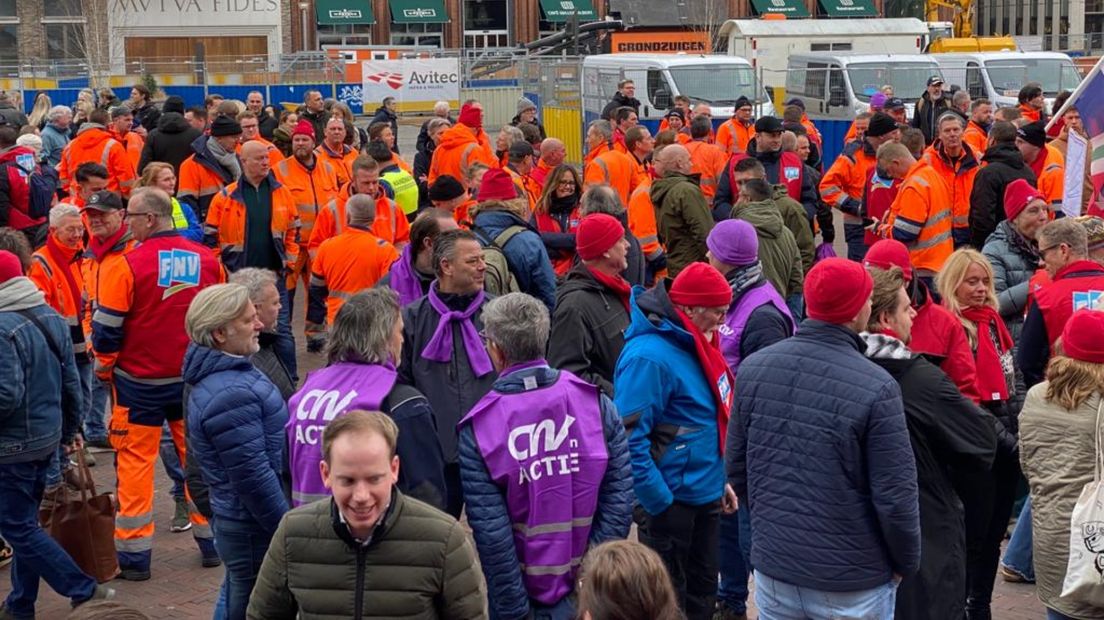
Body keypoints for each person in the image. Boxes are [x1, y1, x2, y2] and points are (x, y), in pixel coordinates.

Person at [728, 257, 919, 618]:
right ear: (856, 309)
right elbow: (895, 496)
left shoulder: (753, 370)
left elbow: (738, 470)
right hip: (851, 579)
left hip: (776, 569)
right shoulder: (877, 386)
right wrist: (905, 562)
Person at [459, 292, 632, 619]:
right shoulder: (595, 404)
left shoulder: (481, 427)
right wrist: (592, 579)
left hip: (523, 596)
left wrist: (513, 611)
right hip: (589, 592)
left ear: (496, 350)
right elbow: (618, 498)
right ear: (544, 337)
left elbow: (494, 538)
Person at [91, 188, 223, 579]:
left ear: (149, 219)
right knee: (198, 461)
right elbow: (220, 318)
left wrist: (104, 369)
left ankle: (135, 559)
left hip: (138, 383)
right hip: (190, 381)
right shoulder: (207, 261)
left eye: (130, 216)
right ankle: (211, 543)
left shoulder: (126, 264)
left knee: (134, 466)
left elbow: (106, 331)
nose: (127, 223)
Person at [247, 410, 488, 619]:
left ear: (394, 469)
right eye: (348, 480)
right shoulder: (293, 534)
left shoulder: (444, 540)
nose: (361, 495)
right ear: (326, 474)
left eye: (374, 479)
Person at [860, 266, 997, 620]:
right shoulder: (918, 378)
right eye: (907, 308)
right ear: (886, 317)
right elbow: (979, 440)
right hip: (921, 524)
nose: (915, 313)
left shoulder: (839, 367)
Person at [615, 262, 738, 620]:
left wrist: (719, 480)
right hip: (670, 505)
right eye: (717, 310)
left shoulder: (697, 341)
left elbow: (705, 420)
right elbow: (628, 439)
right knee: (668, 604)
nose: (723, 318)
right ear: (688, 309)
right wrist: (659, 503)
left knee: (702, 593)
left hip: (703, 494)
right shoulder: (648, 358)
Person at [0, 250, 116, 619]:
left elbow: (6, 394)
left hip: (13, 445)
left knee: (17, 528)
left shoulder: (2, 327)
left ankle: (83, 588)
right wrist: (69, 432)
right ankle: (20, 606)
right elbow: (72, 381)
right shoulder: (48, 314)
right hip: (46, 438)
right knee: (26, 525)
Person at [183, 283, 289, 620]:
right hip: (251, 525)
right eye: (248, 320)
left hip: (240, 521)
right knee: (245, 605)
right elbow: (253, 477)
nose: (259, 324)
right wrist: (285, 527)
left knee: (235, 594)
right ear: (219, 333)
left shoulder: (229, 373)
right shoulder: (231, 394)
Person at [707, 219, 795, 620]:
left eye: (713, 252)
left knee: (747, 535)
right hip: (726, 436)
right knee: (727, 526)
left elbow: (773, 386)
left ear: (728, 260)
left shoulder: (762, 314)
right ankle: (731, 600)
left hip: (752, 442)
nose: (707, 256)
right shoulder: (732, 294)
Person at [291, 287, 446, 509]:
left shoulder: (306, 394)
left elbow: (287, 471)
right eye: (399, 332)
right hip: (375, 533)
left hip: (309, 529)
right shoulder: (402, 402)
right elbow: (426, 494)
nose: (402, 340)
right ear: (383, 338)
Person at [935, 249, 1021, 619]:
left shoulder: (992, 323)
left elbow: (1011, 382)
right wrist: (1009, 442)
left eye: (985, 281)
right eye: (972, 281)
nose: (982, 289)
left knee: (993, 536)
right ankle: (965, 606)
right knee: (973, 536)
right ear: (954, 284)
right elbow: (962, 401)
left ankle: (980, 605)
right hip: (974, 447)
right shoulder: (951, 327)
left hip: (1003, 440)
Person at [398, 229, 498, 518]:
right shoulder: (412, 319)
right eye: (472, 261)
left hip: (491, 450)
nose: (482, 267)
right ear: (446, 266)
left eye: (482, 259)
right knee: (437, 532)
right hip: (436, 454)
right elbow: (402, 384)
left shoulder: (498, 314)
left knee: (495, 536)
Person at [1020, 309, 1104, 620]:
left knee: (1060, 610)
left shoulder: (1036, 396)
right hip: (1097, 539)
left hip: (1052, 532)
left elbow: (1028, 464)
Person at [204, 139, 300, 380]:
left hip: (273, 277)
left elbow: (293, 230)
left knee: (283, 332)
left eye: (267, 157)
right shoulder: (225, 197)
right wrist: (222, 270)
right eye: (259, 158)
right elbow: (211, 239)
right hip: (239, 279)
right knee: (241, 331)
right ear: (243, 161)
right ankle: (248, 379)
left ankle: (291, 382)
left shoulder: (282, 193)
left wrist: (288, 262)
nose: (266, 162)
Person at [27, 204, 102, 470]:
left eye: (80, 228)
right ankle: (59, 462)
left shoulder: (83, 258)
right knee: (67, 404)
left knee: (82, 400)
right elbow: (42, 308)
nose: (77, 234)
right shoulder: (42, 263)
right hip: (60, 349)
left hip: (83, 345)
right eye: (71, 229)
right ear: (53, 231)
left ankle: (69, 448)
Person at [548, 213, 632, 397]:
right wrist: (619, 395)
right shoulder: (574, 307)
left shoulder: (616, 288)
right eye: (621, 240)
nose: (628, 245)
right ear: (606, 251)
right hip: (611, 415)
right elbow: (569, 374)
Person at [1019, 218, 1104, 386]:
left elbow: (1027, 362)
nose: (1041, 263)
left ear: (1063, 250)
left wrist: (1051, 393)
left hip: (1067, 397)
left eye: (1042, 254)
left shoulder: (1046, 298)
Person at [306, 194, 400, 338]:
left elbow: (316, 289)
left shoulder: (326, 246)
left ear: (348, 216)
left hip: (337, 319)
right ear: (373, 218)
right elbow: (392, 291)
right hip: (371, 322)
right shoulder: (386, 250)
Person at [272, 119, 340, 311]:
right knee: (285, 297)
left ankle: (315, 338)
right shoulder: (279, 170)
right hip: (292, 248)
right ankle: (285, 337)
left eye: (304, 139)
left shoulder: (328, 169)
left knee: (318, 299)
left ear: (313, 142)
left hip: (319, 247)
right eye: (296, 140)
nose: (300, 143)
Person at [470, 171, 557, 311]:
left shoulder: (467, 239)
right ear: (515, 202)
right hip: (523, 321)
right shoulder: (528, 240)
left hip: (480, 321)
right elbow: (548, 291)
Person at [820, 112, 900, 261]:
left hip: (890, 225)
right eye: (858, 128)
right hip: (859, 227)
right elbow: (827, 187)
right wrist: (856, 207)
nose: (861, 132)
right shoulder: (852, 156)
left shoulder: (896, 152)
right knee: (862, 272)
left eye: (864, 128)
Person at [981, 179, 1048, 342]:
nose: (1043, 216)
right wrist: (1037, 283)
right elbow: (995, 302)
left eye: (1045, 209)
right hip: (1015, 340)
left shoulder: (1049, 247)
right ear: (1014, 219)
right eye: (1033, 211)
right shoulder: (994, 250)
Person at [878, 142, 954, 285]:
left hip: (922, 266)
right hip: (940, 261)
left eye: (889, 170)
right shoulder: (932, 174)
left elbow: (905, 233)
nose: (889, 175)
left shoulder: (913, 186)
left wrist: (881, 229)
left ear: (896, 162)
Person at [730, 178, 803, 303]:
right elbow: (796, 278)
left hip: (745, 306)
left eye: (739, 197)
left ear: (747, 199)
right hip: (779, 305)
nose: (736, 202)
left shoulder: (736, 231)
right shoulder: (786, 232)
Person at [226, 268, 293, 400]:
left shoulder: (264, 341)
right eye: (275, 303)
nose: (280, 307)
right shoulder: (248, 352)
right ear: (255, 308)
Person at [969, 121, 1038, 249]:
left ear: (992, 140)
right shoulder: (1028, 171)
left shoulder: (988, 173)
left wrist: (979, 247)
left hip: (994, 245)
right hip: (1023, 242)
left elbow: (982, 216)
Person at [651, 144, 712, 277]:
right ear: (679, 163)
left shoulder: (662, 190)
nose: (691, 164)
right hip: (694, 266)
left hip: (676, 263)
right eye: (688, 160)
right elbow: (703, 231)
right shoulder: (686, 191)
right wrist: (713, 263)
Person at [379, 208, 459, 306]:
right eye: (450, 238)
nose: (459, 243)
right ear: (428, 243)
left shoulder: (468, 276)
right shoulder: (387, 288)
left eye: (459, 235)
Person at [923, 113, 980, 247]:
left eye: (956, 130)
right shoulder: (928, 159)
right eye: (947, 131)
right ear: (939, 135)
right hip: (938, 227)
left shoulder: (977, 158)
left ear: (963, 132)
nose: (952, 134)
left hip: (968, 228)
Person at [58, 108, 136, 201]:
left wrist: (74, 191)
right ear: (108, 123)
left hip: (78, 199)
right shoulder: (113, 145)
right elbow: (126, 179)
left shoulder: (69, 146)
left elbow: (64, 178)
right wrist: (127, 197)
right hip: (107, 200)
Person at [178, 115, 244, 221]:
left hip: (236, 224)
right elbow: (187, 204)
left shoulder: (240, 158)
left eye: (239, 137)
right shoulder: (192, 164)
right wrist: (200, 231)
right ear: (218, 138)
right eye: (233, 137)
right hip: (209, 227)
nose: (237, 141)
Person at [531, 163, 582, 277]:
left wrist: (544, 238)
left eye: (571, 183)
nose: (568, 187)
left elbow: (581, 240)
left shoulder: (583, 209)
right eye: (563, 182)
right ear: (553, 184)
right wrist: (568, 245)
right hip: (545, 274)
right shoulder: (540, 210)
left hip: (576, 274)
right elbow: (532, 239)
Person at [428, 102, 497, 186]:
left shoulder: (439, 148)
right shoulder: (474, 149)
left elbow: (431, 180)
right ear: (475, 129)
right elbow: (482, 181)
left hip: (441, 197)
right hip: (466, 197)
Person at [136, 162, 202, 242]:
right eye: (166, 180)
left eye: (173, 178)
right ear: (152, 183)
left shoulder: (184, 207)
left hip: (184, 253)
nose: (172, 183)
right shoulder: (141, 210)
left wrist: (171, 236)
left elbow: (198, 234)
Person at [583, 120, 640, 206]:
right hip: (623, 212)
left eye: (589, 136)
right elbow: (636, 188)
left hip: (603, 214)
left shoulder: (597, 163)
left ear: (600, 138)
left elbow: (591, 197)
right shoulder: (626, 158)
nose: (587, 140)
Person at [369, 141, 419, 219]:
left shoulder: (383, 183)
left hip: (395, 226)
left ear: (372, 160)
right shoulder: (405, 174)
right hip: (410, 225)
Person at [415, 117, 452, 209]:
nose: (445, 136)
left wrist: (431, 181)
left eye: (448, 132)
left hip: (453, 202)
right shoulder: (421, 157)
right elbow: (422, 186)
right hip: (429, 204)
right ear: (431, 135)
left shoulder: (455, 153)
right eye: (440, 133)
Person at [315, 116, 358, 187]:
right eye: (333, 129)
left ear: (345, 133)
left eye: (340, 129)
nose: (336, 132)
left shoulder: (353, 152)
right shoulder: (317, 156)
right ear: (325, 132)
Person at [912, 75, 950, 145]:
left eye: (939, 86)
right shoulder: (920, 104)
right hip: (925, 145)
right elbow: (915, 126)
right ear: (928, 88)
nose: (937, 89)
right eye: (934, 86)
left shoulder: (948, 103)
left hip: (943, 145)